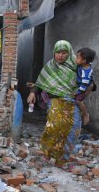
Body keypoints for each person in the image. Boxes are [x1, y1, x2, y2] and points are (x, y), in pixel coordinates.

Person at [27, 40, 83, 168]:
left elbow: (86, 80)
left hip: (72, 101)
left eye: (64, 53)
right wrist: (32, 92)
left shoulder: (76, 66)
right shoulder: (50, 66)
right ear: (54, 53)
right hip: (55, 100)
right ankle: (47, 152)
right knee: (54, 126)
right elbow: (40, 82)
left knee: (73, 129)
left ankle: (62, 159)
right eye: (58, 52)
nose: (61, 55)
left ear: (69, 53)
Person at [74, 48, 95, 125]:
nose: (75, 59)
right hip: (83, 85)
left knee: (78, 101)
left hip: (85, 87)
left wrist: (78, 92)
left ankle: (86, 114)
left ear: (84, 60)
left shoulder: (85, 72)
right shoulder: (82, 65)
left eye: (77, 57)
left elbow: (84, 85)